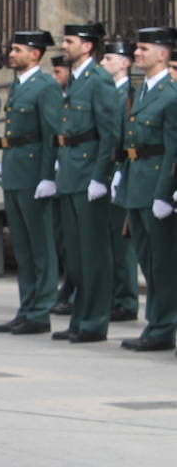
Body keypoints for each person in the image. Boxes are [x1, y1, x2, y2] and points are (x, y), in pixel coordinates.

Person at [54, 21, 120, 343]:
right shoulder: (77, 80)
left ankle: (94, 322)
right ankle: (79, 318)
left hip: (87, 176)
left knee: (94, 254)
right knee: (76, 256)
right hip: (69, 174)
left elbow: (110, 134)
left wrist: (100, 177)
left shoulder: (99, 81)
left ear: (88, 46)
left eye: (69, 41)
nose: (63, 46)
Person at [0, 31, 63, 335]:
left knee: (40, 247)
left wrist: (48, 175)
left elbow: (51, 134)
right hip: (15, 171)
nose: (11, 53)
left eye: (18, 49)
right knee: (22, 247)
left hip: (34, 173)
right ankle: (26, 307)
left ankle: (41, 310)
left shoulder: (45, 85)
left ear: (35, 54)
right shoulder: (20, 85)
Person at [114, 27, 177, 352]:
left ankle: (163, 327)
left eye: (143, 49)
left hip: (155, 186)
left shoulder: (170, 93)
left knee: (163, 262)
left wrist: (165, 193)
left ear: (162, 54)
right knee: (148, 260)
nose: (136, 54)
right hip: (136, 183)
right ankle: (157, 323)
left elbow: (172, 149)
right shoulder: (143, 91)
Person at [100, 39, 141, 322]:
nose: (104, 64)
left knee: (121, 241)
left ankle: (126, 300)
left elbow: (126, 136)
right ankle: (113, 295)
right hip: (104, 172)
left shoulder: (129, 94)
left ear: (125, 63)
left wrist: (120, 171)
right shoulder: (107, 92)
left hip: (120, 171)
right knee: (107, 241)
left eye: (109, 59)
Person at [48, 52, 77, 315]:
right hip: (61, 174)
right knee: (62, 237)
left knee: (76, 241)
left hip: (75, 173)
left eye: (59, 72)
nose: (55, 77)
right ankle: (69, 286)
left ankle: (74, 288)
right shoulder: (60, 99)